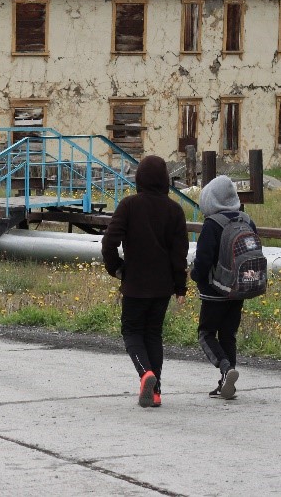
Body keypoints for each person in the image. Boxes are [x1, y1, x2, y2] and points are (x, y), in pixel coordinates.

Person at [101, 155, 189, 408]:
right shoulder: (175, 210)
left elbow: (109, 242)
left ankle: (145, 374)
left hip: (135, 283)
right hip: (162, 286)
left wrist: (117, 269)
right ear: (165, 179)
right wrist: (180, 287)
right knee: (153, 335)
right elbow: (179, 254)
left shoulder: (129, 205)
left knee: (131, 332)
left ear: (139, 178)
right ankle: (156, 392)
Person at [191, 174, 250, 400]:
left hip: (214, 291)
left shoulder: (212, 224)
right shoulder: (246, 220)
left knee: (206, 334)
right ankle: (228, 384)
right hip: (239, 289)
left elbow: (203, 260)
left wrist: (196, 277)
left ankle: (226, 368)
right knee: (228, 335)